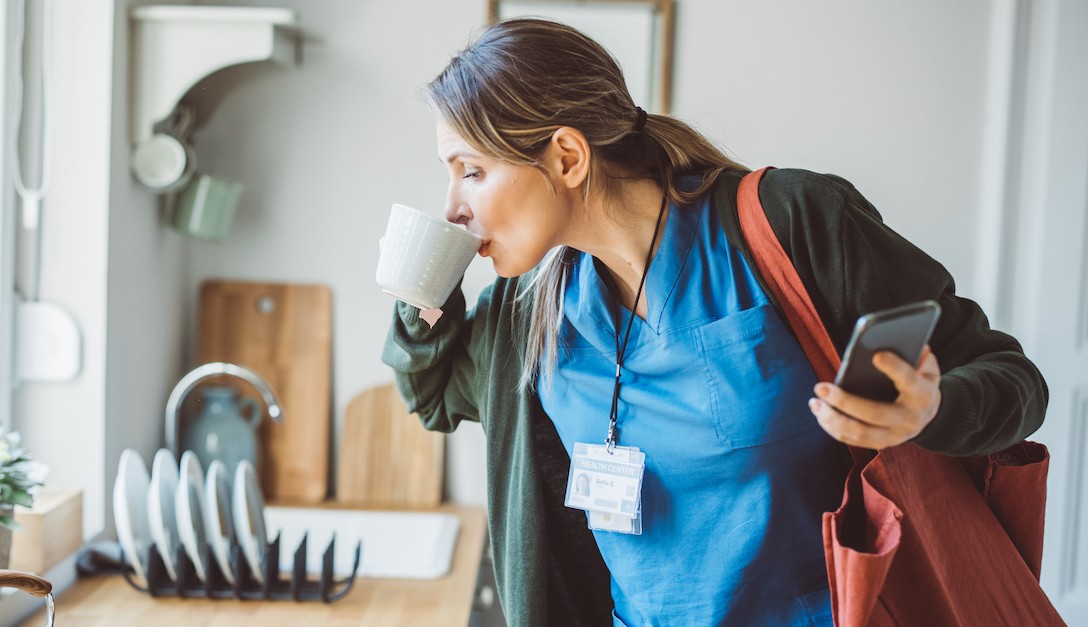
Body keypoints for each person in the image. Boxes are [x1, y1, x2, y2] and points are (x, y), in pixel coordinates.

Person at [381, 18, 1047, 627]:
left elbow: (1014, 381)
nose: (453, 208)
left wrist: (930, 410)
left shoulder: (791, 224)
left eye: (471, 171)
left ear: (566, 157)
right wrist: (425, 283)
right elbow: (434, 395)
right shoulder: (534, 308)